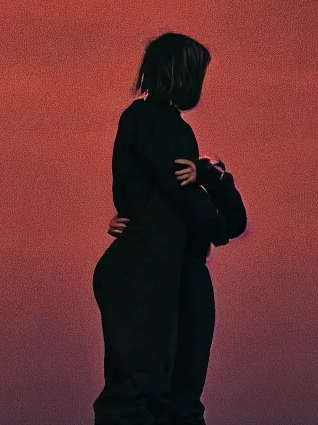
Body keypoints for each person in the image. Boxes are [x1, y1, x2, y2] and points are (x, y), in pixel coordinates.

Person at [92, 32, 247, 425]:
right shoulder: (156, 123)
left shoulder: (152, 124)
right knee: (144, 394)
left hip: (164, 266)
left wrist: (209, 175)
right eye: (198, 73)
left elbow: (143, 191)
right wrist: (214, 216)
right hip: (147, 266)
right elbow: (194, 205)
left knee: (169, 395)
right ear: (182, 74)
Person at [107, 155, 247, 425]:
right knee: (154, 379)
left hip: (187, 282)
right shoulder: (153, 189)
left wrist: (208, 175)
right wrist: (122, 226)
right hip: (155, 282)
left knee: (186, 381)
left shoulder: (195, 187)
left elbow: (232, 224)